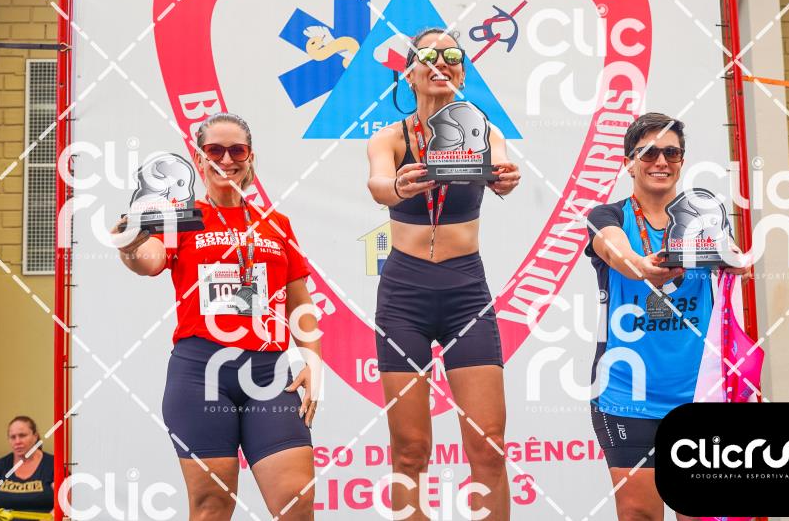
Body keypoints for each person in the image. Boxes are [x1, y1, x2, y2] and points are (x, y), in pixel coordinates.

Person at [112, 113, 321, 520]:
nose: (226, 160)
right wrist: (129, 246)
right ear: (199, 157)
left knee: (296, 500)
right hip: (201, 373)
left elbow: (300, 303)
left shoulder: (276, 224)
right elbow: (149, 262)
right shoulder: (180, 218)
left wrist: (312, 360)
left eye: (236, 150)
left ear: (250, 157)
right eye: (215, 150)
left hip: (269, 372)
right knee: (212, 505)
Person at [366, 28, 521, 520]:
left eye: (452, 55)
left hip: (465, 292)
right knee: (410, 451)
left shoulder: (484, 132)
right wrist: (398, 185)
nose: (440, 62)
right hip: (405, 295)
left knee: (488, 446)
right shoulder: (390, 138)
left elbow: (504, 171)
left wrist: (507, 177)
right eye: (428, 56)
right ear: (408, 74)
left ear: (463, 72)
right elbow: (378, 185)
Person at [584, 112, 750, 521]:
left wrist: (737, 262)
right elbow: (615, 251)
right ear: (629, 163)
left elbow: (734, 256)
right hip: (626, 396)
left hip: (699, 394)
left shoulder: (703, 218)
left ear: (681, 161)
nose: (660, 161)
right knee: (639, 513)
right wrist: (642, 266)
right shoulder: (607, 216)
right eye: (648, 153)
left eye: (671, 153)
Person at [0, 416, 54, 519]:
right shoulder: (0, 466)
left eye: (22, 435)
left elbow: (64, 503)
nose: (17, 441)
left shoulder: (53, 465)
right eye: (13, 437)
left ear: (35, 436)